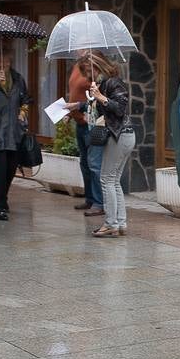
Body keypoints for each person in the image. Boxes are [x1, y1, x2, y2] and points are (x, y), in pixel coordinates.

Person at [78, 53, 134, 238]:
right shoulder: (103, 84)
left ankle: (111, 223)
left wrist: (100, 96)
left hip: (121, 136)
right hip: (121, 136)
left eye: (89, 70)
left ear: (98, 67)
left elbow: (119, 108)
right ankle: (120, 223)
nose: (88, 75)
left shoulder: (114, 82)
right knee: (114, 180)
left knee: (106, 179)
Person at [0, 46, 29, 221]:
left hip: (14, 130)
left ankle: (2, 198)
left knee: (12, 168)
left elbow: (25, 99)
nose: (3, 64)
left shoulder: (18, 78)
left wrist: (23, 112)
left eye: (7, 61)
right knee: (0, 169)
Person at [67, 54, 103, 216]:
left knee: (94, 164)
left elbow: (98, 100)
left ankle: (98, 202)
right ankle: (90, 198)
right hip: (80, 123)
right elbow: (75, 92)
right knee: (85, 163)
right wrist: (71, 113)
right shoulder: (78, 66)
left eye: (89, 68)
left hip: (92, 125)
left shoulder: (101, 77)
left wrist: (86, 111)